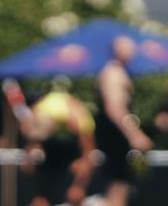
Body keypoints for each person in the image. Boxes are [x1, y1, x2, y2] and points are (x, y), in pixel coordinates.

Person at [93, 37, 149, 206]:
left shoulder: (118, 72)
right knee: (118, 186)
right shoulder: (114, 73)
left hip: (116, 137)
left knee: (120, 185)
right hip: (114, 137)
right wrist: (134, 135)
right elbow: (114, 108)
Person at [25, 78, 94, 206]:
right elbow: (29, 160)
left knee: (75, 193)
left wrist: (79, 186)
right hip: (54, 152)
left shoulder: (79, 118)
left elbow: (88, 155)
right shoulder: (37, 113)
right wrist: (37, 192)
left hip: (72, 150)